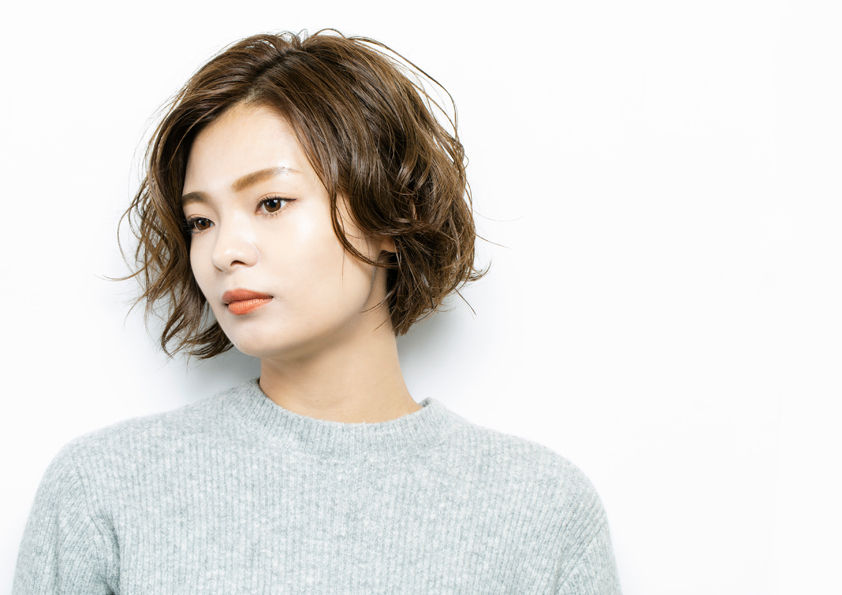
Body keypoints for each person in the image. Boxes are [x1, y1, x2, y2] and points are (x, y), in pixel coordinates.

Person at [13, 30, 622, 594]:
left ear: (388, 214)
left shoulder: (542, 511)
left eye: (272, 203)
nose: (224, 251)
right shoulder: (104, 491)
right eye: (201, 221)